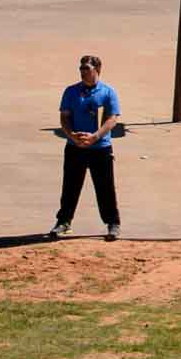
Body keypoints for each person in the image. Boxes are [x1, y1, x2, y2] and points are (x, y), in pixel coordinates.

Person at [50, 53, 122, 241]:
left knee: (105, 187)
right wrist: (71, 135)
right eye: (81, 68)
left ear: (97, 69)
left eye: (86, 69)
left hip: (100, 148)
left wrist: (96, 136)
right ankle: (64, 222)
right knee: (70, 187)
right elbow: (64, 116)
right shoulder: (71, 92)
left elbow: (112, 119)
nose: (83, 72)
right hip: (75, 147)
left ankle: (113, 223)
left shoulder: (107, 92)